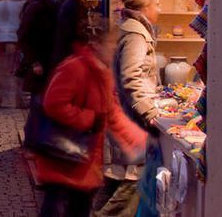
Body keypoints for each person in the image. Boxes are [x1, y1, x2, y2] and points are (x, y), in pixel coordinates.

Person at [36, 29, 147, 217]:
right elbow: (53, 104)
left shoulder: (103, 73)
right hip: (63, 158)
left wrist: (139, 140)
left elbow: (112, 113)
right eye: (111, 45)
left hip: (84, 163)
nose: (115, 50)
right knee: (58, 209)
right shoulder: (75, 67)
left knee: (78, 208)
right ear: (97, 45)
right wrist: (90, 119)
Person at [94, 0, 163, 217]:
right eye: (156, 4)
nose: (159, 9)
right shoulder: (136, 34)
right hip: (131, 119)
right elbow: (131, 77)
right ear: (145, 7)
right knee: (130, 185)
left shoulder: (131, 29)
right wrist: (149, 111)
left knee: (118, 182)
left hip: (124, 116)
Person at [17, 0, 58, 95]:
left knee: (40, 91)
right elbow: (24, 34)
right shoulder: (38, 6)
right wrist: (34, 61)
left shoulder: (41, 5)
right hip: (38, 57)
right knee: (38, 92)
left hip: (40, 57)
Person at [50, 0, 87, 74]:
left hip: (62, 51)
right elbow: (70, 30)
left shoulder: (62, 4)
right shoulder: (72, 4)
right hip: (69, 51)